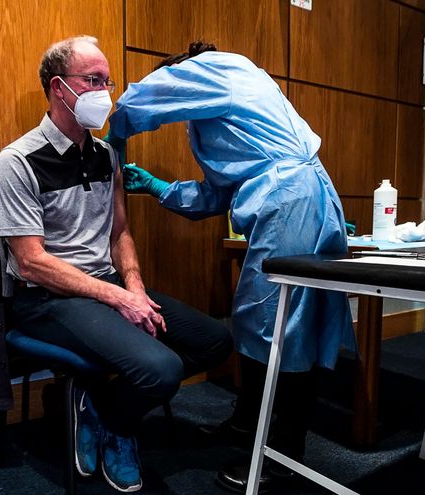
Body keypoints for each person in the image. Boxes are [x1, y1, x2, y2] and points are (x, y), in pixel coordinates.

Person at [106, 41, 356, 493]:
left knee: (280, 327)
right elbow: (222, 193)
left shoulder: (217, 67)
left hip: (289, 200)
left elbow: (137, 100)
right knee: (266, 321)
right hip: (297, 195)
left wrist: (118, 137)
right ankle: (247, 426)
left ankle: (282, 454)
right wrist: (159, 187)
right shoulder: (234, 105)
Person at [0, 36, 233, 493]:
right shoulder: (19, 160)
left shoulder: (107, 156)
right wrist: (117, 297)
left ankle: (101, 407)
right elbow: (31, 263)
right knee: (161, 370)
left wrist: (135, 286)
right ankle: (121, 427)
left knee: (215, 342)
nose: (106, 91)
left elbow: (119, 233)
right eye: (93, 80)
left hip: (107, 285)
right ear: (59, 88)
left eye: (107, 79)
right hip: (48, 298)